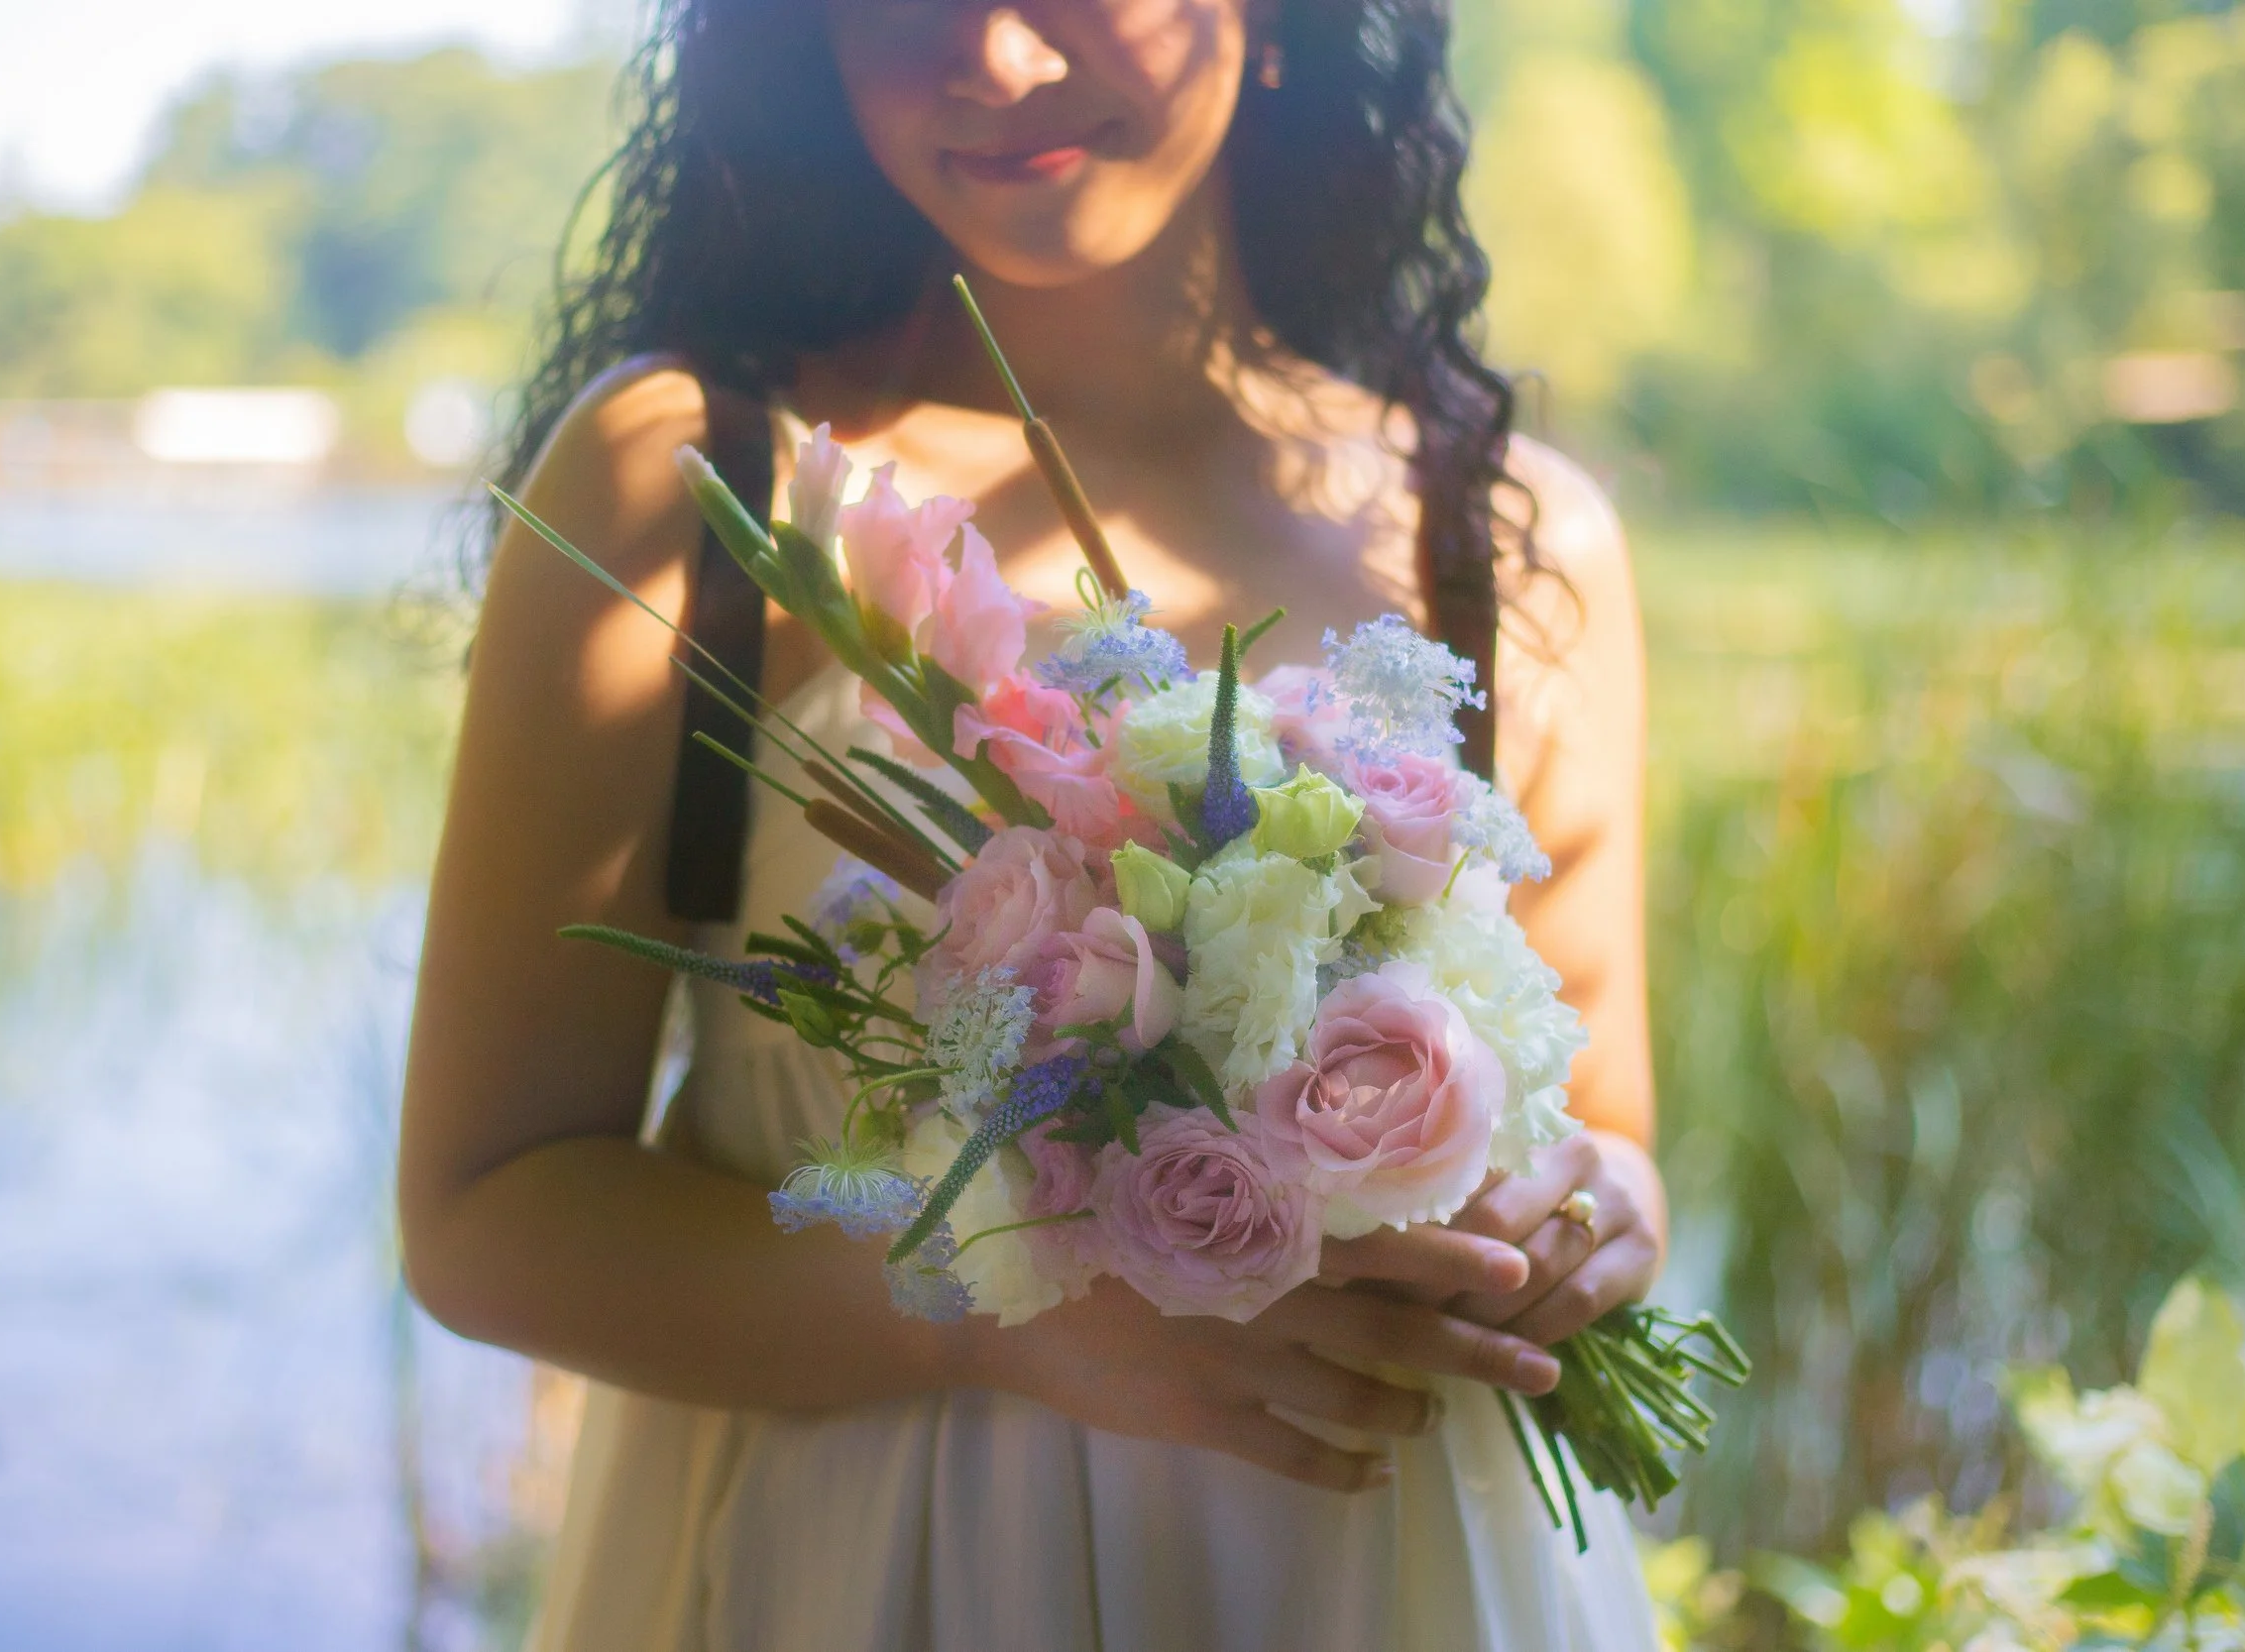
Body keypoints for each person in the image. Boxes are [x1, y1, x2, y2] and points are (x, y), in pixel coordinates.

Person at [397, 1, 1664, 1645]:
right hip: (875, 1572)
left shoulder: (1496, 537)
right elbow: (486, 1214)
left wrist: (1594, 1215)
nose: (993, 59)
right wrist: (982, 1316)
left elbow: (1614, 1124)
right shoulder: (700, 493)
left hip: (1394, 1570)